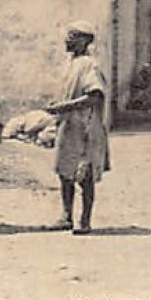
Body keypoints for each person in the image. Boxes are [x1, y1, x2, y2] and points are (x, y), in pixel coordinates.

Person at [47, 23, 110, 235]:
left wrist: (65, 106)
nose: (67, 40)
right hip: (68, 125)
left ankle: (85, 219)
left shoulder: (89, 65)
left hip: (85, 126)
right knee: (65, 171)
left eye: (72, 36)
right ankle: (66, 216)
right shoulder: (70, 64)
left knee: (85, 174)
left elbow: (94, 96)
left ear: (85, 40)